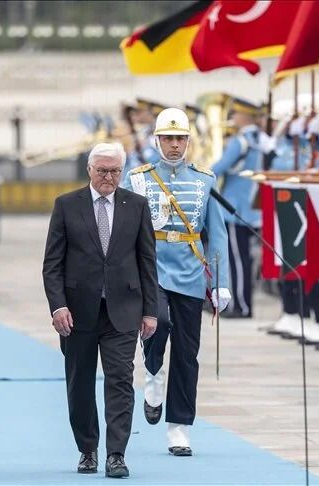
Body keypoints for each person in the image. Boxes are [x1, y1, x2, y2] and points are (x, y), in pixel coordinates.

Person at [42, 142, 158, 479]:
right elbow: (52, 264)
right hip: (77, 313)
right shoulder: (66, 205)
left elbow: (147, 262)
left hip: (123, 310)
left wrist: (150, 310)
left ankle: (117, 454)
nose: (108, 177)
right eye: (102, 170)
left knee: (121, 380)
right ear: (89, 170)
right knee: (79, 383)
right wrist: (58, 306)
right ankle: (88, 449)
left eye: (114, 171)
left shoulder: (136, 206)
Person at [121, 107, 231, 456]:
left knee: (187, 352)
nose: (173, 145)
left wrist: (221, 282)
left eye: (179, 139)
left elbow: (218, 235)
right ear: (157, 140)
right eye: (167, 138)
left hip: (189, 270)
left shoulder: (204, 179)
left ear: (188, 141)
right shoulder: (138, 178)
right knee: (159, 323)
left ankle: (179, 427)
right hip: (151, 268)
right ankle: (153, 372)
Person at [211, 96, 262, 318]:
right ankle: (242, 304)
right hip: (249, 207)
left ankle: (241, 305)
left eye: (235, 114)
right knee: (242, 259)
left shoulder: (240, 141)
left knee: (237, 260)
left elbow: (219, 167)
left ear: (244, 116)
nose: (232, 118)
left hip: (234, 208)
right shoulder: (258, 139)